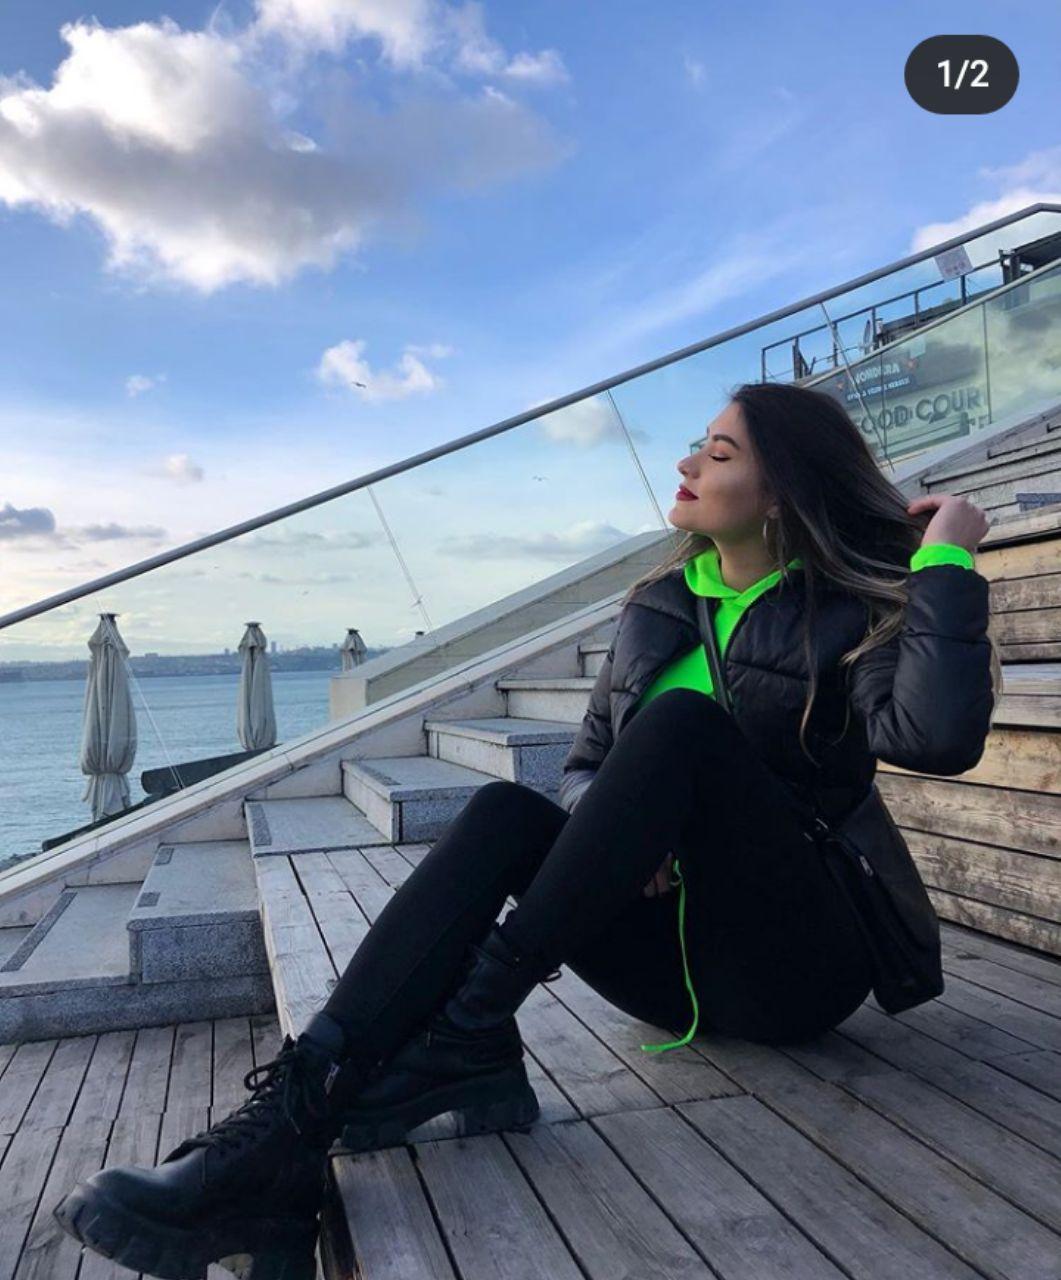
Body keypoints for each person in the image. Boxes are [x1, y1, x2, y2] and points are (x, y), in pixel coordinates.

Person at [54, 381, 998, 1279]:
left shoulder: (854, 609)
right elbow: (586, 767)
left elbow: (935, 738)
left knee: (681, 725)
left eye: (717, 455)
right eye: (695, 447)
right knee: (505, 812)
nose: (686, 465)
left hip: (794, 967)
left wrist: (944, 564)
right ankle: (289, 1122)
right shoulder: (657, 607)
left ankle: (467, 1029)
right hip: (665, 975)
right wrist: (624, 832)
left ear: (783, 491)